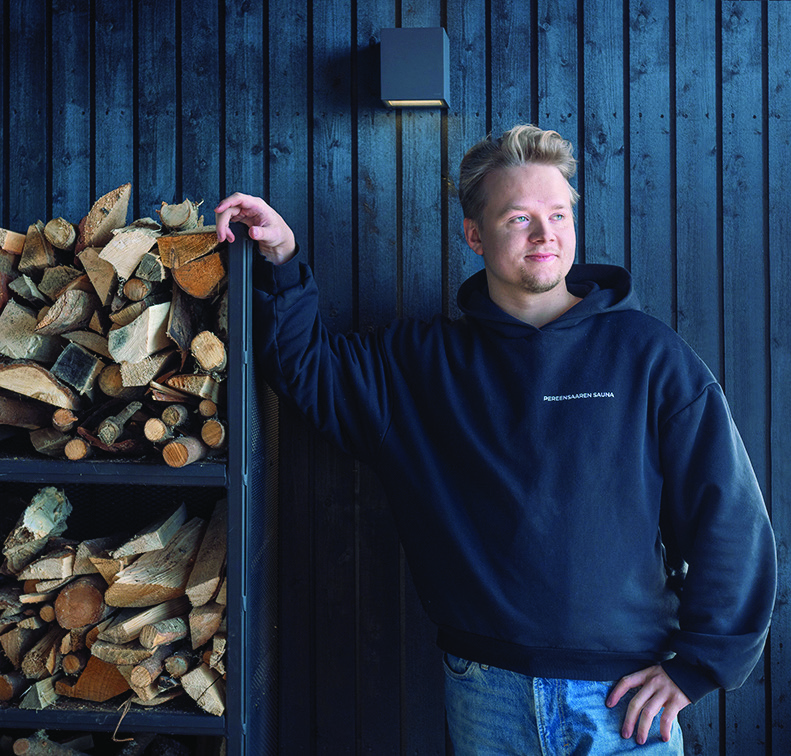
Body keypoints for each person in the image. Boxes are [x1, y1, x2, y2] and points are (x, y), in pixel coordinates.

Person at [215, 124, 776, 754]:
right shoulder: (420, 363)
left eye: (558, 214)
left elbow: (730, 517)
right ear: (474, 234)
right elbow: (309, 372)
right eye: (519, 217)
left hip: (623, 702)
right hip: (485, 692)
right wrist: (283, 260)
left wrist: (698, 665)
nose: (545, 234)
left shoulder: (649, 357)